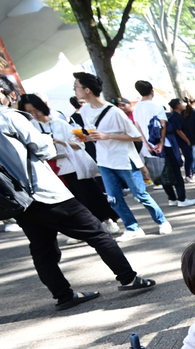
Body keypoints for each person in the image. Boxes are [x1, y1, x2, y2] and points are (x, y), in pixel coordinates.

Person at [0, 70, 155, 308]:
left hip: (13, 198)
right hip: (43, 191)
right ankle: (129, 278)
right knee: (97, 232)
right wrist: (49, 140)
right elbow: (44, 150)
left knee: (42, 249)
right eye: (9, 96)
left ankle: (63, 295)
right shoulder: (7, 116)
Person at [72, 72, 171, 240]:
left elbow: (135, 136)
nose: (75, 90)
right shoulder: (85, 111)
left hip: (124, 159)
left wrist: (107, 136)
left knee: (140, 194)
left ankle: (161, 221)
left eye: (76, 87)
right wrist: (87, 137)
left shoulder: (114, 112)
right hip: (104, 160)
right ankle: (132, 228)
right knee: (113, 198)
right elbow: (95, 133)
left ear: (87, 90)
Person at [19, 93, 122, 237]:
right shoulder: (31, 127)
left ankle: (107, 220)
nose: (34, 114)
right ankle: (82, 230)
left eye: (35, 110)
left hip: (70, 165)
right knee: (69, 201)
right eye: (29, 112)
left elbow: (79, 145)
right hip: (49, 168)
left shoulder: (59, 123)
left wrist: (58, 142)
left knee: (87, 195)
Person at [158, 98, 195, 207]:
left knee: (163, 173)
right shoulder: (174, 117)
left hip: (154, 147)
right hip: (172, 145)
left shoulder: (140, 113)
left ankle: (172, 198)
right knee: (177, 170)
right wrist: (187, 140)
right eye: (182, 103)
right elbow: (178, 130)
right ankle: (181, 197)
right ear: (178, 105)